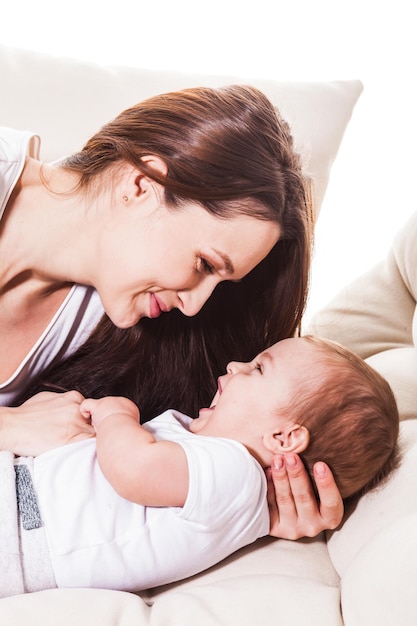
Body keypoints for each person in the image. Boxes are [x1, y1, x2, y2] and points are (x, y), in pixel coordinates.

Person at [0, 83, 345, 540]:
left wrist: (260, 503)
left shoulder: (125, 333)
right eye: (204, 264)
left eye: (219, 284)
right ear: (142, 184)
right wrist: (11, 426)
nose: (195, 303)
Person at [0, 335, 399, 597]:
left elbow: (135, 469)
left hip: (21, 536)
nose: (235, 366)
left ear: (283, 438)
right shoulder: (214, 460)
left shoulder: (236, 474)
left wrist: (117, 416)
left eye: (258, 368)